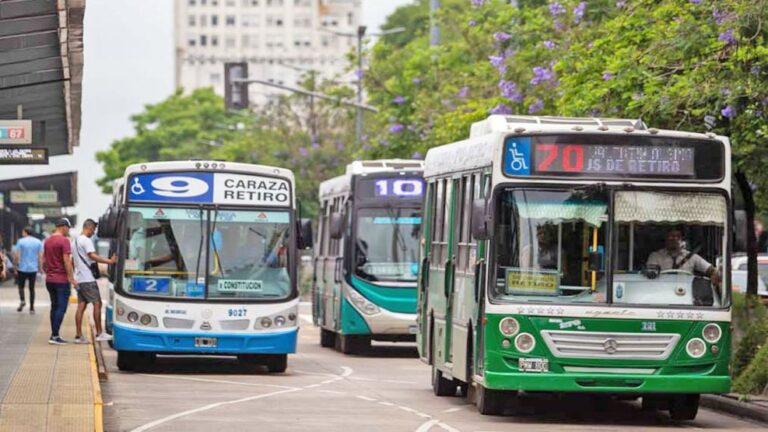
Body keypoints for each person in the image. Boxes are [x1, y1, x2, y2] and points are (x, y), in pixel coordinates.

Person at [73, 219, 116, 344]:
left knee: (81, 306)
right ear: (89, 227)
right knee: (97, 303)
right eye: (94, 230)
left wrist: (73, 278)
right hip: (88, 279)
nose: (94, 232)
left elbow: (72, 261)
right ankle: (99, 333)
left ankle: (78, 336)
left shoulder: (74, 241)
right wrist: (109, 261)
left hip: (80, 278)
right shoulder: (86, 241)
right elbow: (92, 256)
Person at [42, 218, 77, 345]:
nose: (69, 230)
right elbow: (67, 260)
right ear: (63, 227)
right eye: (68, 228)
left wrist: (48, 271)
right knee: (61, 308)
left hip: (50, 279)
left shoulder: (47, 241)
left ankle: (54, 334)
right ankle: (55, 336)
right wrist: (71, 278)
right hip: (61, 280)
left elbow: (44, 260)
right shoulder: (64, 241)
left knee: (54, 306)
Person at [646, 228, 720, 284]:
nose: (675, 239)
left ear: (681, 239)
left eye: (678, 236)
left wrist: (715, 275)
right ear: (666, 238)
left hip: (686, 293)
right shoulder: (655, 256)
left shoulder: (692, 257)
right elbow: (650, 275)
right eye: (671, 236)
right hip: (661, 291)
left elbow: (712, 270)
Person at [13, 227, 43, 314]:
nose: (22, 233)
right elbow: (40, 256)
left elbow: (17, 255)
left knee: (21, 286)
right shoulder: (38, 242)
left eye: (23, 232)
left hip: (22, 268)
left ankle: (22, 300)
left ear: (25, 232)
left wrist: (15, 266)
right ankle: (32, 308)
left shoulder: (21, 241)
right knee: (32, 288)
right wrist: (40, 268)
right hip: (33, 269)